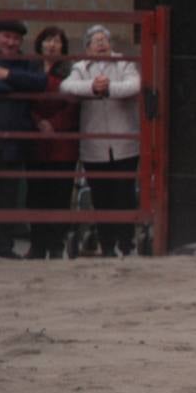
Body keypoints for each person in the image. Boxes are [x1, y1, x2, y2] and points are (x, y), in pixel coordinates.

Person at [60, 24, 140, 258]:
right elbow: (67, 86)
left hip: (125, 144)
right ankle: (107, 245)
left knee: (125, 194)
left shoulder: (124, 63)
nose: (101, 44)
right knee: (102, 195)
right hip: (94, 147)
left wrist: (108, 88)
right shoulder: (81, 67)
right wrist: (92, 87)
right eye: (95, 41)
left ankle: (126, 243)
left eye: (104, 39)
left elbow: (134, 85)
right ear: (87, 46)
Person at [25, 26, 79, 259]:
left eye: (57, 41)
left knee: (59, 194)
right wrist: (38, 122)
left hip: (62, 144)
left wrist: (53, 124)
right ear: (40, 44)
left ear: (63, 47)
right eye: (48, 40)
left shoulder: (71, 71)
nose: (52, 45)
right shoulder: (30, 69)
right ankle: (37, 245)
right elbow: (24, 101)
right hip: (36, 141)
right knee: (36, 194)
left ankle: (55, 245)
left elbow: (73, 105)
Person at [0, 18, 47, 259]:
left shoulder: (28, 62)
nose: (11, 42)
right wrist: (15, 85)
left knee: (8, 194)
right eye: (6, 36)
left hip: (14, 141)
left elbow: (39, 83)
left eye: (16, 38)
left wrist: (5, 74)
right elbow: (24, 86)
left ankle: (4, 246)